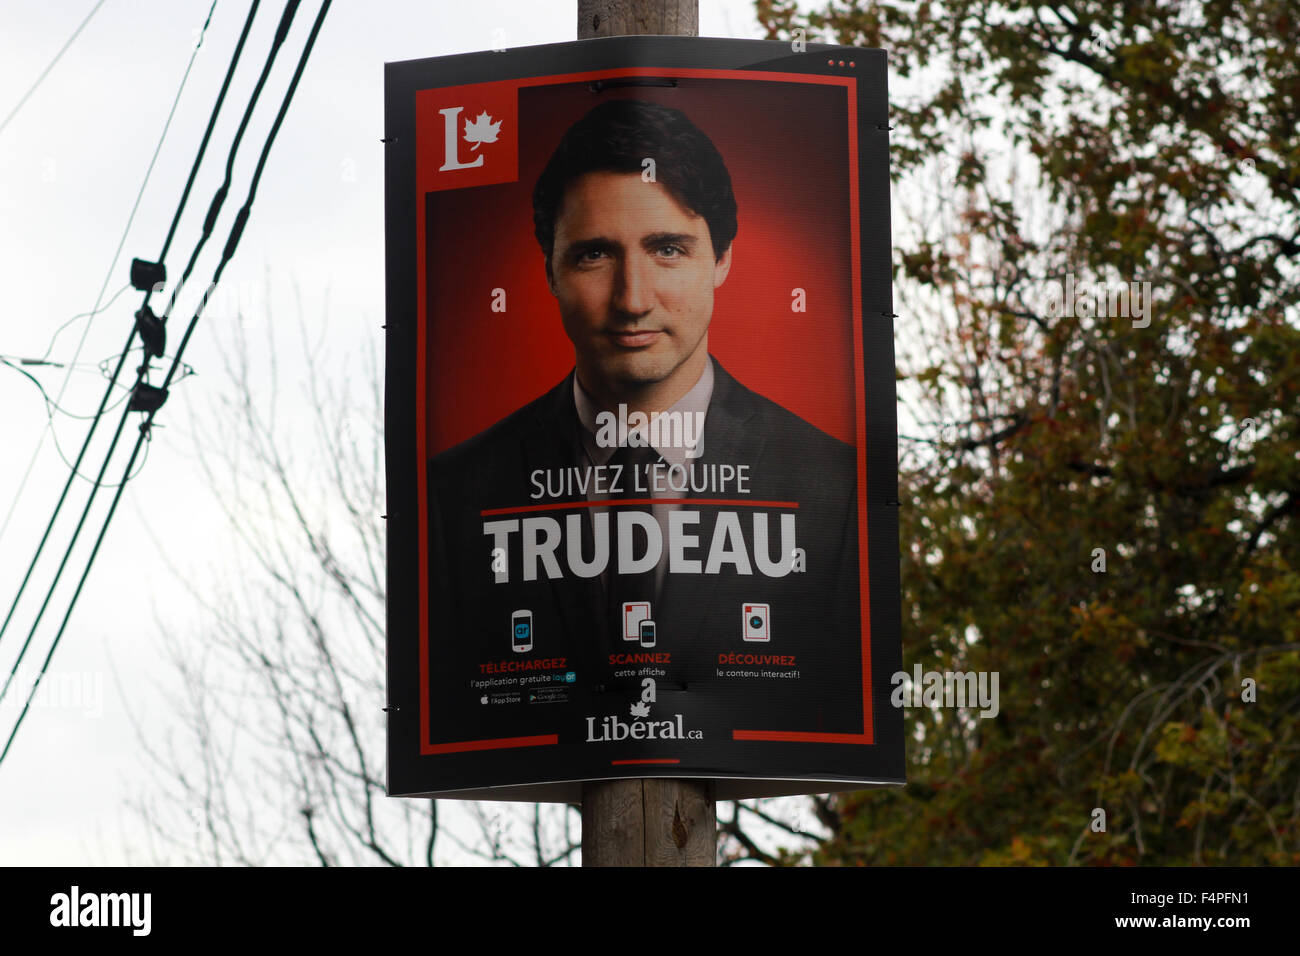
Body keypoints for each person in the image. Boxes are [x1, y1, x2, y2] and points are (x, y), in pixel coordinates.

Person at [426, 99, 862, 746]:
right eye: (595, 255)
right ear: (549, 268)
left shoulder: (835, 486)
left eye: (667, 249)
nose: (632, 300)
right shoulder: (454, 493)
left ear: (722, 260)